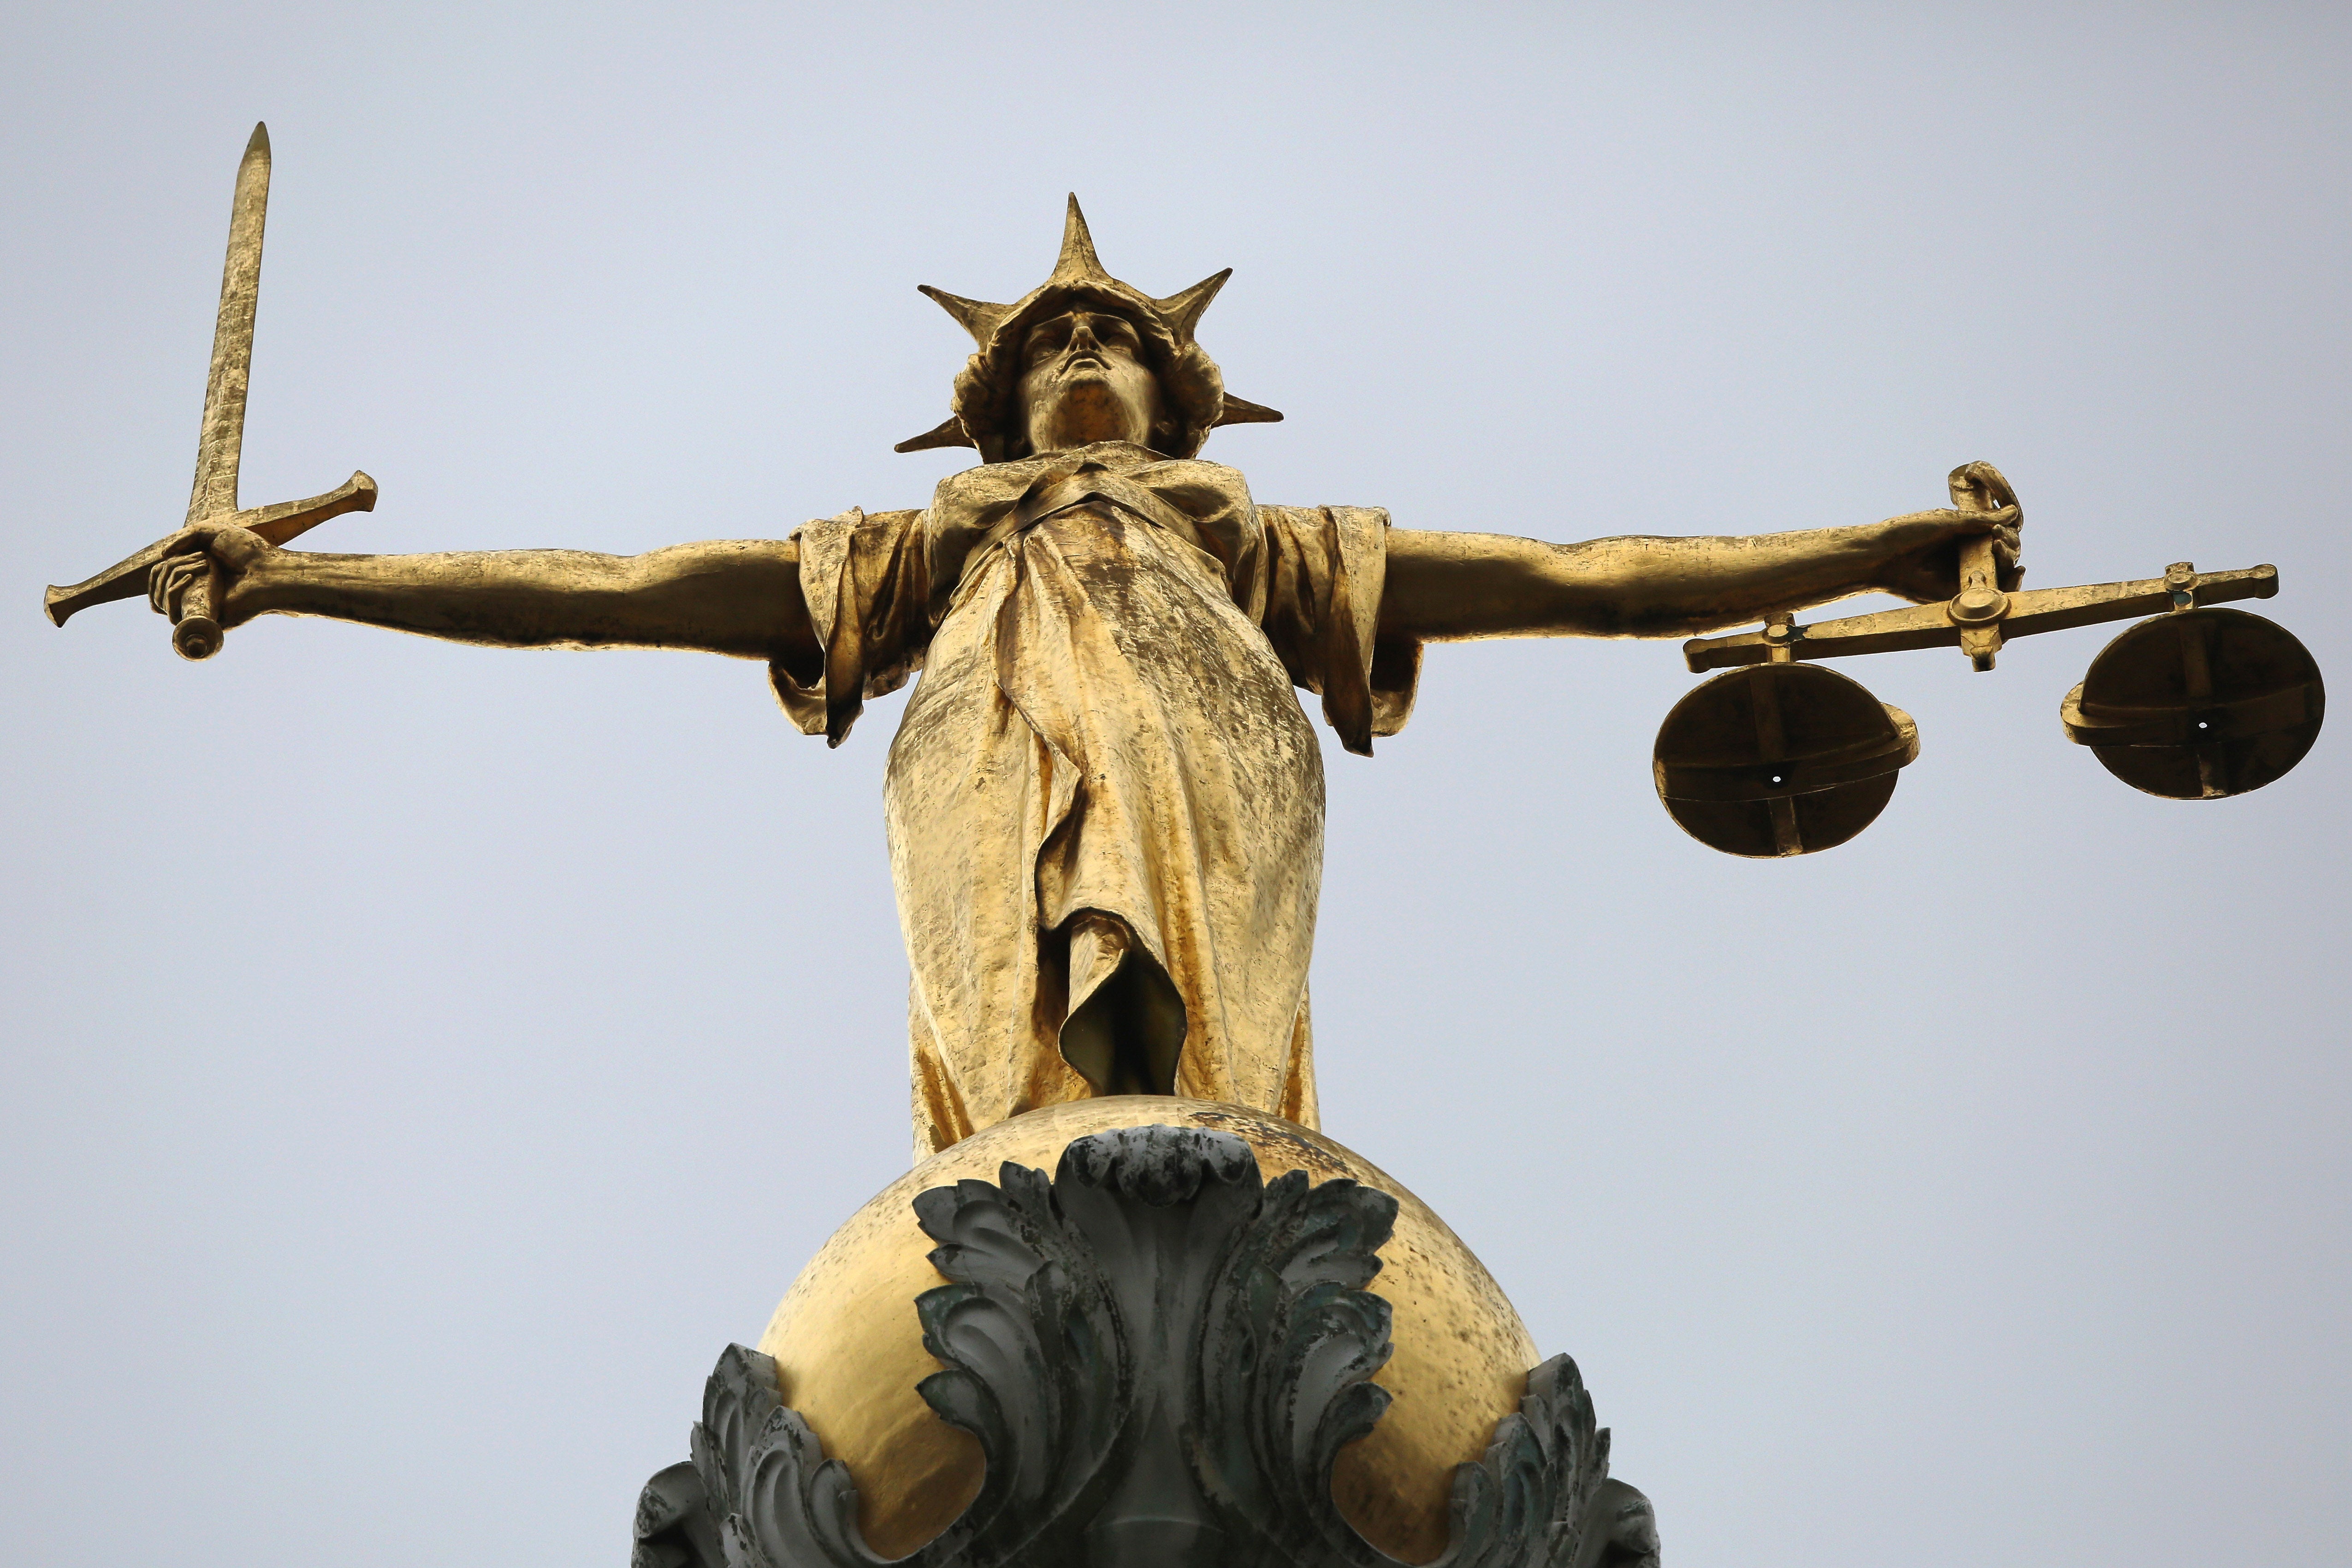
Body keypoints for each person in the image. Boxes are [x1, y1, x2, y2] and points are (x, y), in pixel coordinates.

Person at [152, 199, 2020, 1159]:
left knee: (1205, 1109)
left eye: (1108, 339)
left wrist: (1864, 549)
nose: (1072, 360)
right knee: (1017, 1121)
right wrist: (313, 579)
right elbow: (614, 590)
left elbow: (1580, 575)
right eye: (1043, 347)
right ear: (987, 404)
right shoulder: (926, 552)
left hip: (1217, 755)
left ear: (1179, 389)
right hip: (971, 751)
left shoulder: (1253, 541)